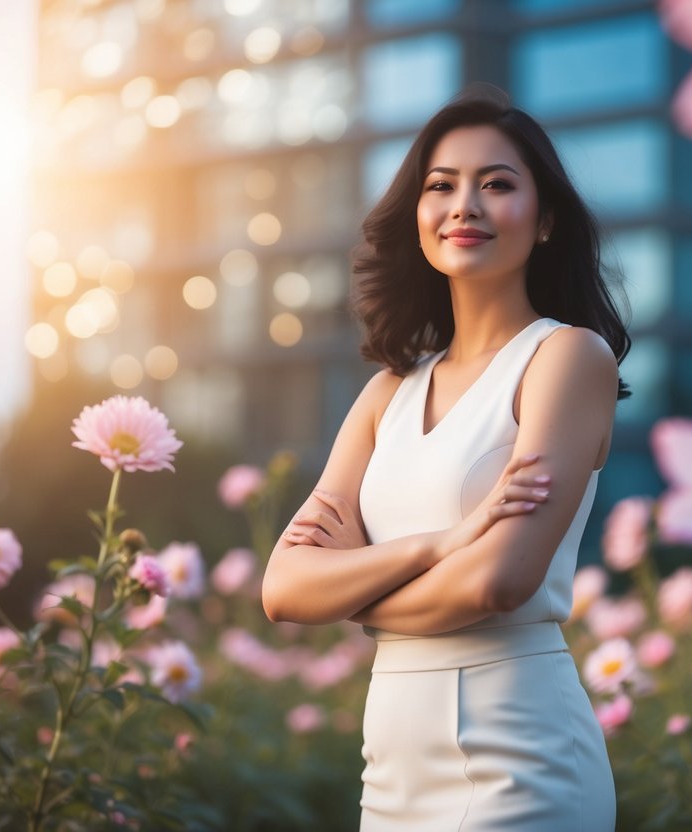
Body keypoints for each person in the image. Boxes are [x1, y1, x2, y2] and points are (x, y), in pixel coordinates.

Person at [261, 85, 629, 831]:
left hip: (519, 756)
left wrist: (352, 594)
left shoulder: (564, 359)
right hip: (392, 765)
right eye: (441, 186)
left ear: (546, 218)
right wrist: (444, 542)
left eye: (496, 184)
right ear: (418, 217)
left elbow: (499, 580)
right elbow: (284, 590)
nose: (465, 205)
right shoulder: (386, 394)